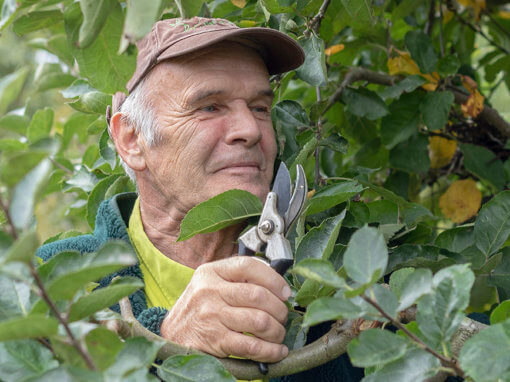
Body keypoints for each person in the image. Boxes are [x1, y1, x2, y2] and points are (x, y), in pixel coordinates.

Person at [37, 17, 363, 381]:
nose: (250, 130)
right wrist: (164, 347)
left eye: (260, 107)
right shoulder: (49, 283)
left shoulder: (342, 287)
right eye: (209, 107)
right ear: (131, 140)